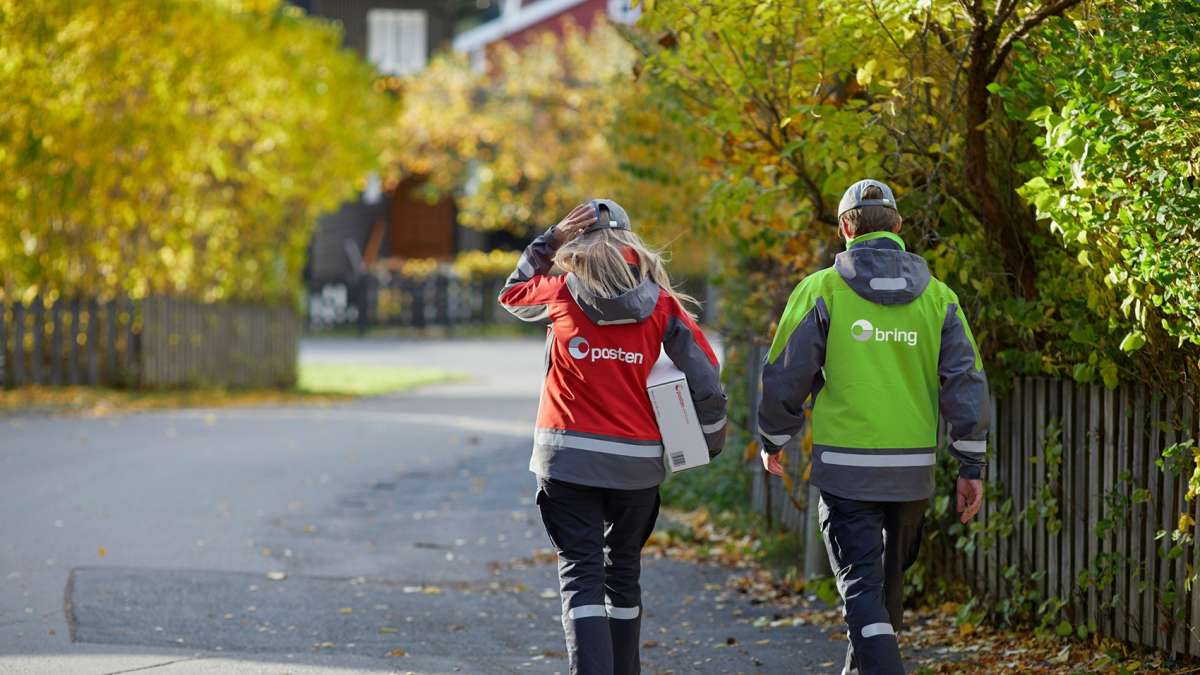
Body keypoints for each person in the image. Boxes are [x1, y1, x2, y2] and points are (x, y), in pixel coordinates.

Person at [756, 180, 990, 675]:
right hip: (911, 475)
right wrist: (971, 463)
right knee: (884, 595)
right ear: (898, 228)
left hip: (847, 472)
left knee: (864, 592)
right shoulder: (940, 299)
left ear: (845, 228)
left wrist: (773, 437)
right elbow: (965, 383)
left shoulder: (822, 290)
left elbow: (785, 375)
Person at [499, 199, 727, 675]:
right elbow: (705, 377)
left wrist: (551, 238)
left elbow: (512, 293)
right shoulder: (661, 304)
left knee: (582, 575)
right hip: (637, 466)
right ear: (630, 244)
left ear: (579, 246)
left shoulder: (560, 290)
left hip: (566, 460)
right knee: (622, 571)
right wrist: (711, 439)